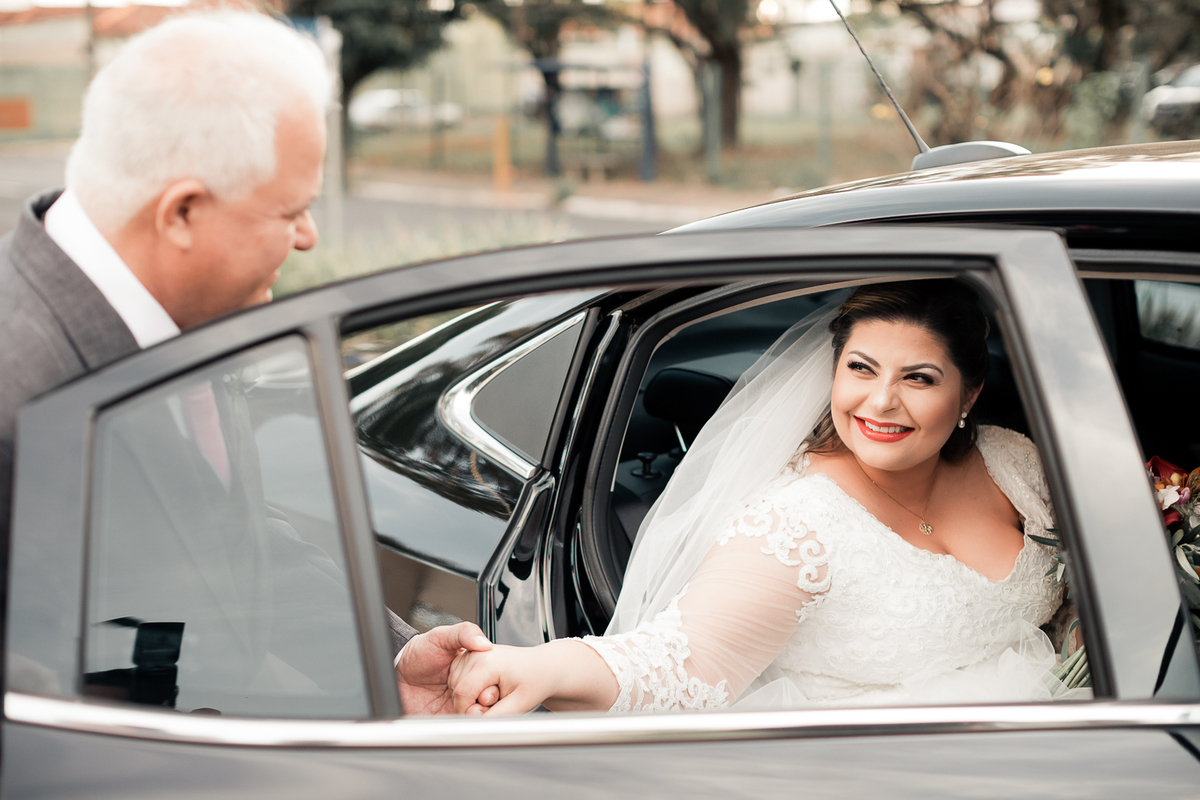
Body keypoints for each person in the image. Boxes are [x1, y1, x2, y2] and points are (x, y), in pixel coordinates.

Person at [0, 10, 490, 714]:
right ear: (182, 213)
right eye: (290, 211)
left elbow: (231, 540)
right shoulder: (19, 380)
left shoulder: (188, 310)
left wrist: (388, 662)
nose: (309, 237)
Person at [447, 281, 1081, 714]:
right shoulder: (799, 524)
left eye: (918, 378)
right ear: (834, 369)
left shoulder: (1012, 461)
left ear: (969, 395)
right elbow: (683, 661)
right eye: (861, 368)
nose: (881, 401)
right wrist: (543, 669)